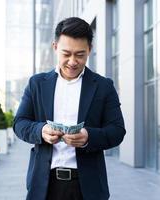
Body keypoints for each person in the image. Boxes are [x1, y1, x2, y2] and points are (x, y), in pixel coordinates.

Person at [13, 17, 125, 200]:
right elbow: (19, 123)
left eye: (80, 55)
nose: (72, 61)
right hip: (43, 186)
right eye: (66, 54)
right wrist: (41, 130)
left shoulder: (103, 86)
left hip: (87, 187)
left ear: (89, 50)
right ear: (55, 47)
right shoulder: (37, 84)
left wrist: (89, 136)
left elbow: (117, 131)